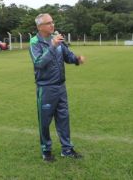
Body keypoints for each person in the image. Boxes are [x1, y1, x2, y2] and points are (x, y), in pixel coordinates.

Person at [29, 13, 85, 162]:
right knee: (45, 121)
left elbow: (67, 55)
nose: (52, 25)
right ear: (40, 26)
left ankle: (67, 149)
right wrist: (53, 46)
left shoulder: (57, 38)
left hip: (61, 88)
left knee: (63, 119)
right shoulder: (35, 42)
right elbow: (39, 63)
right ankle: (46, 150)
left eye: (52, 22)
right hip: (46, 88)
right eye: (48, 23)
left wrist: (77, 60)